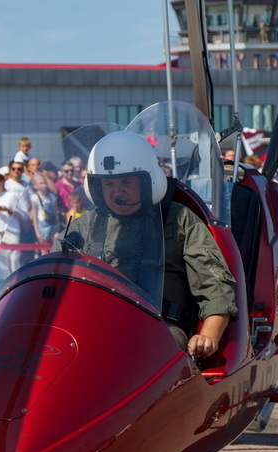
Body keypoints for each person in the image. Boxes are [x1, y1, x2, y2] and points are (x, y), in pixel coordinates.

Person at [51, 130, 238, 358]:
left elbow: (214, 284)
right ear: (96, 186)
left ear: (147, 181)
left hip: (159, 329)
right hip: (91, 328)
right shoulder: (81, 229)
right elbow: (52, 284)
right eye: (109, 184)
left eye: (126, 182)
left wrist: (208, 335)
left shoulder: (179, 220)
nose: (117, 192)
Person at [30, 173, 61, 254]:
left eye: (44, 183)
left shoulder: (51, 196)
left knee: (55, 249)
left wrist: (57, 229)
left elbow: (56, 214)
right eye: (41, 183)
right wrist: (38, 234)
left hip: (52, 225)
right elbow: (34, 218)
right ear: (35, 186)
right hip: (42, 227)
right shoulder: (35, 197)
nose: (44, 185)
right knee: (44, 250)